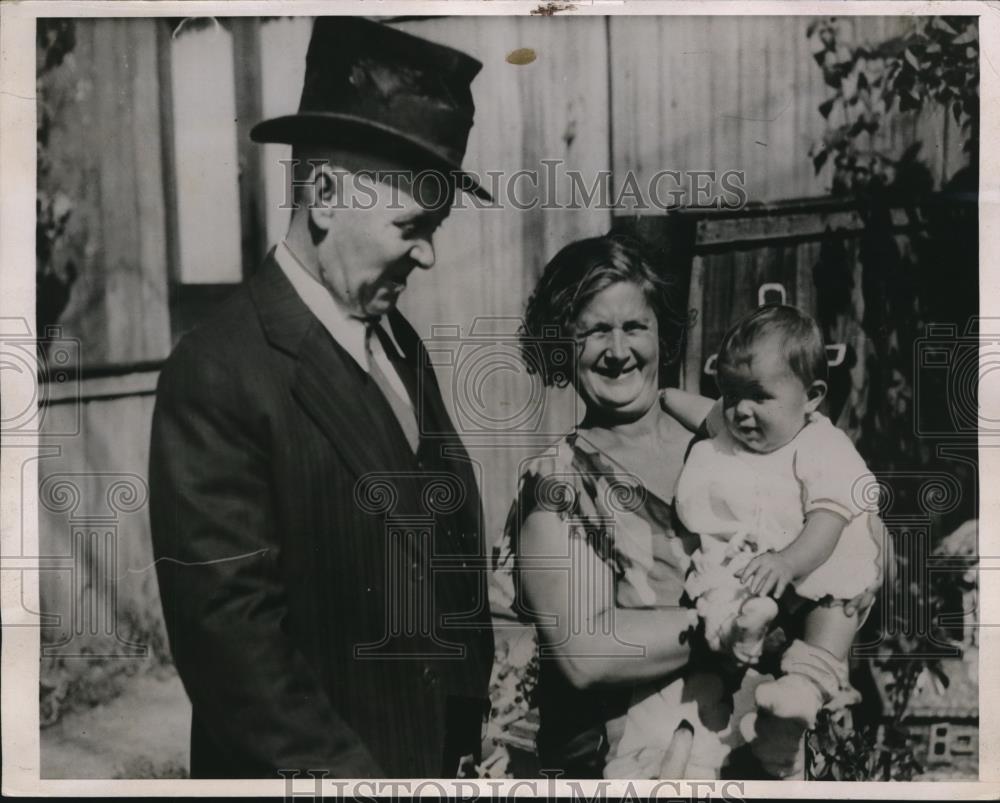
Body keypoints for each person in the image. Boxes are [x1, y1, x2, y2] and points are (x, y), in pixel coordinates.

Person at [149, 17, 493, 779]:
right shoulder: (218, 372)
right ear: (327, 195)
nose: (430, 254)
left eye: (435, 226)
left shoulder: (397, 341)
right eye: (413, 225)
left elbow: (443, 552)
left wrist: (461, 735)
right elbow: (234, 651)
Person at [494, 235, 882, 780]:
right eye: (595, 331)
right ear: (562, 346)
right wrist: (721, 629)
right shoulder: (558, 483)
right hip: (648, 765)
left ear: (662, 332)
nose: (617, 349)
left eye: (634, 327)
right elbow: (585, 652)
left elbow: (846, 521)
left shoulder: (733, 436)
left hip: (768, 752)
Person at [623, 304, 885, 779]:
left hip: (809, 560)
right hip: (750, 570)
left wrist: (789, 562)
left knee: (841, 601)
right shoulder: (731, 426)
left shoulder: (822, 446)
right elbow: (702, 413)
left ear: (812, 397)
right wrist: (659, 397)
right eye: (731, 395)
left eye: (758, 397)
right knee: (719, 586)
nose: (741, 410)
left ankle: (802, 691)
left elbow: (829, 518)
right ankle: (740, 635)